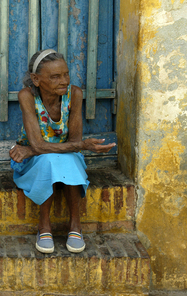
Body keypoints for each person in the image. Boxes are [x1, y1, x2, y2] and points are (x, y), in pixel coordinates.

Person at [9, 49, 115, 254]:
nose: (64, 80)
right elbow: (56, 145)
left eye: (66, 74)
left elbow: (72, 141)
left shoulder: (74, 94)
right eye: (55, 76)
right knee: (49, 160)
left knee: (63, 158)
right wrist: (79, 146)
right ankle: (44, 225)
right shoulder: (27, 96)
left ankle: (75, 225)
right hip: (34, 163)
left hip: (56, 156)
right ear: (36, 79)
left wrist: (32, 150)